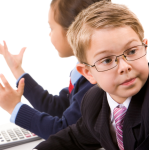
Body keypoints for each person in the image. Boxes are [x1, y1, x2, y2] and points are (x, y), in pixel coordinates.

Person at [33, 1, 149, 150]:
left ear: (144, 46)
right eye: (107, 60)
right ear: (88, 73)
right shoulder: (93, 101)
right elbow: (74, 137)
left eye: (132, 51)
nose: (125, 67)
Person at [0, 0, 110, 140]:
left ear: (72, 31)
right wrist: (16, 69)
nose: (49, 35)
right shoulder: (84, 73)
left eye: (51, 28)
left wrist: (14, 107)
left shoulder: (94, 82)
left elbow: (64, 131)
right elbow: (57, 108)